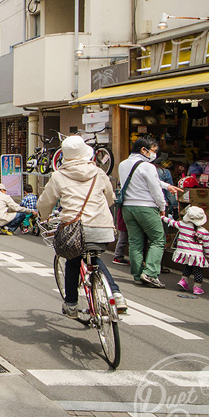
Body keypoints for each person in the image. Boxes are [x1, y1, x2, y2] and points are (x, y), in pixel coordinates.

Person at [37, 136, 127, 316]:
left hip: (74, 230)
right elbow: (110, 199)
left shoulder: (58, 176)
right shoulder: (99, 173)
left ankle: (71, 304)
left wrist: (44, 217)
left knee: (73, 260)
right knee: (94, 258)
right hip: (102, 228)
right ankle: (116, 294)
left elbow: (45, 204)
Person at [117, 135, 181, 288]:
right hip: (146, 207)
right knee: (158, 239)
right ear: (143, 150)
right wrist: (162, 207)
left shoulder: (123, 164)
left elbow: (141, 179)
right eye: (153, 150)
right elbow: (155, 189)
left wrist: (167, 186)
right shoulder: (148, 166)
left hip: (127, 208)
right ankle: (151, 273)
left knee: (135, 241)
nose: (154, 154)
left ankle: (138, 275)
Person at [164, 206, 209, 295]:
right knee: (198, 271)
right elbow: (206, 246)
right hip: (197, 255)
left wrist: (162, 217)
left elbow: (171, 222)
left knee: (189, 266)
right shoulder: (204, 232)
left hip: (185, 252)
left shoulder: (182, 225)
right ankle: (197, 288)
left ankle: (184, 281)